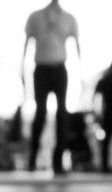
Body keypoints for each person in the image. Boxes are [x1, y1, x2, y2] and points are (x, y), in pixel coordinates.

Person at [24, 0, 81, 173]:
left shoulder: (69, 18)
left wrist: (80, 72)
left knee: (62, 113)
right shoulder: (35, 16)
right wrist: (22, 70)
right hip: (41, 69)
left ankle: (58, 161)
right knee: (40, 112)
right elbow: (27, 43)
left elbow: (77, 45)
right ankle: (32, 158)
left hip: (59, 68)